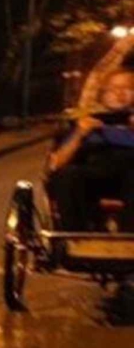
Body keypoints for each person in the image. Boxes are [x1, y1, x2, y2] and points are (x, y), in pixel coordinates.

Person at [46, 68, 134, 231]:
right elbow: (55, 165)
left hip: (129, 176)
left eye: (128, 89)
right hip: (93, 176)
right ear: (103, 94)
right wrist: (80, 134)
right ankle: (74, 237)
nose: (120, 94)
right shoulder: (81, 121)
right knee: (67, 175)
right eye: (113, 89)